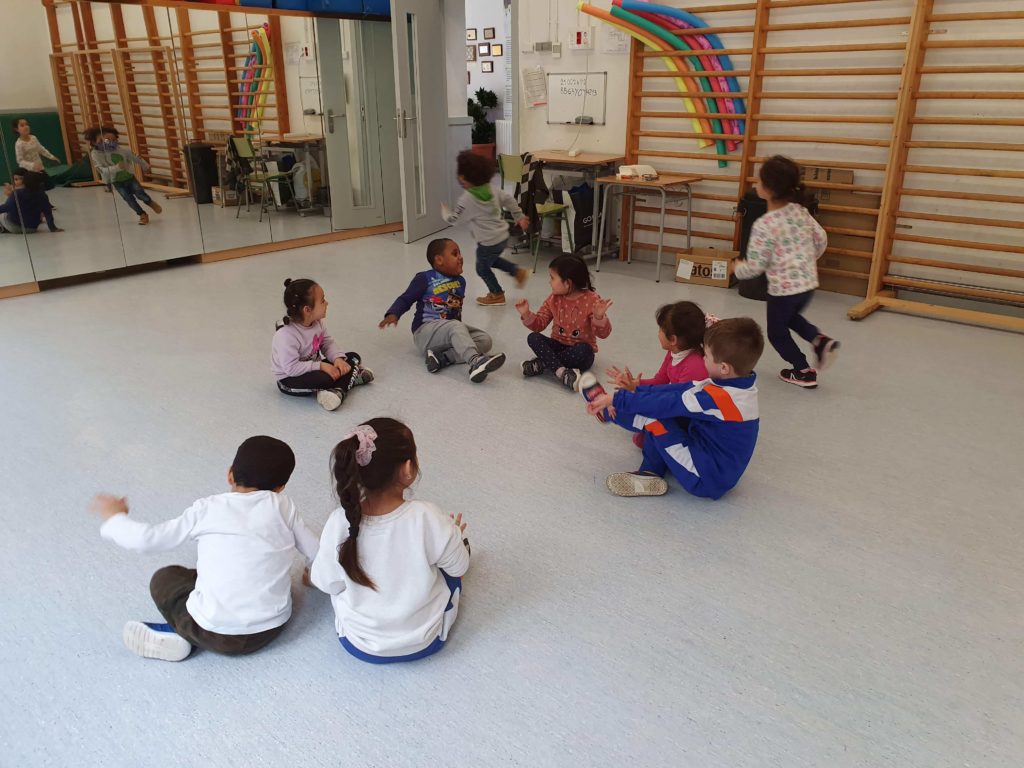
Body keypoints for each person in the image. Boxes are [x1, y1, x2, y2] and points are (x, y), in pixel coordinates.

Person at [89, 436, 319, 662]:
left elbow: (148, 540)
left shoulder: (206, 509)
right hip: (270, 628)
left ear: (230, 474)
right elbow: (316, 551)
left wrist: (115, 517)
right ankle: (189, 634)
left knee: (165, 577)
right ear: (280, 487)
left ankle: (182, 635)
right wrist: (312, 575)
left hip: (210, 630)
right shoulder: (284, 507)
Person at [310, 419, 471, 663]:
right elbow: (459, 568)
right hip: (425, 640)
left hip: (358, 643)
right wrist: (453, 534)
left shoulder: (339, 521)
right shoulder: (427, 516)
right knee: (453, 566)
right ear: (408, 469)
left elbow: (327, 583)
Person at [587, 317, 764, 501]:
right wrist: (635, 391)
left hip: (704, 478)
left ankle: (607, 411)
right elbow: (677, 390)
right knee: (663, 412)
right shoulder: (739, 386)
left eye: (706, 355)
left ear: (724, 368)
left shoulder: (720, 400)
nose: (702, 358)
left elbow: (668, 402)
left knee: (654, 417)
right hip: (714, 467)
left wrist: (617, 399)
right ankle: (651, 468)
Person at [733, 155, 839, 389]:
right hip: (808, 284)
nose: (756, 184)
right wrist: (808, 261)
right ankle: (820, 340)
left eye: (759, 180)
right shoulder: (801, 212)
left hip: (783, 290)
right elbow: (821, 238)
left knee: (777, 333)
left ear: (768, 189)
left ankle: (802, 370)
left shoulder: (765, 225)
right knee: (790, 318)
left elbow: (756, 265)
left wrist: (738, 269)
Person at [380, 237, 506, 383]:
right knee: (455, 326)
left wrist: (459, 333)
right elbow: (405, 298)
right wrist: (393, 313)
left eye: (460, 253)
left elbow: (455, 310)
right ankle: (475, 361)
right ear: (439, 260)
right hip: (425, 332)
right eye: (455, 254)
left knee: (485, 340)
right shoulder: (424, 278)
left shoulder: (460, 281)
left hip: (448, 330)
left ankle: (443, 358)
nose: (460, 257)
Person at [605, 301, 715, 448]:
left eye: (660, 330)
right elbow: (660, 381)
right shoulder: (674, 352)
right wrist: (635, 385)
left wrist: (634, 396)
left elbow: (677, 404)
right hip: (674, 405)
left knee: (619, 410)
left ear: (673, 339)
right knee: (622, 407)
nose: (658, 333)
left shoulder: (694, 366)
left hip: (685, 417)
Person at [442, 150, 531, 307]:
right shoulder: (492, 188)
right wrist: (519, 216)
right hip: (502, 237)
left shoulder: (467, 199)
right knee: (492, 260)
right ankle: (517, 272)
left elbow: (454, 220)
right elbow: (509, 199)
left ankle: (497, 294)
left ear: (462, 177)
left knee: (481, 268)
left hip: (488, 242)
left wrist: (445, 213)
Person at [272, 278, 373, 412]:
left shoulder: (317, 323)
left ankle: (338, 388)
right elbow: (291, 368)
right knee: (325, 379)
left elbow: (327, 343)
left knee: (352, 357)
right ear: (307, 309)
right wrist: (321, 366)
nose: (327, 303)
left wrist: (337, 359)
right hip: (290, 379)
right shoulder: (286, 335)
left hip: (313, 367)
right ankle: (345, 384)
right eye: (323, 300)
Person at [515, 254, 612, 391]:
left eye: (552, 278)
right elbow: (539, 324)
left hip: (580, 353)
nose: (549, 282)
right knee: (533, 338)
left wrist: (599, 317)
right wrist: (526, 314)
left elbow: (603, 334)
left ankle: (543, 364)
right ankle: (561, 372)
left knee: (584, 350)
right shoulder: (553, 298)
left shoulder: (592, 300)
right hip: (557, 345)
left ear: (567, 283)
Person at [85, 126, 162, 225]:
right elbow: (102, 170)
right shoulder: (96, 155)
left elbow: (135, 157)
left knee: (140, 194)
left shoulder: (121, 150)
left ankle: (149, 202)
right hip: (117, 182)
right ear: (94, 142)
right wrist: (117, 168)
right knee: (129, 199)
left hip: (130, 178)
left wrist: (145, 166)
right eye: (105, 140)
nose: (110, 142)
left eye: (113, 140)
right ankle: (142, 214)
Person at [0, 169, 61, 234]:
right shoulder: (43, 195)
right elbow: (48, 213)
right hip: (32, 229)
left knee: (3, 215)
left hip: (14, 227)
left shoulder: (17, 193)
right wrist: (53, 228)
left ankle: (2, 227)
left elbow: (7, 207)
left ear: (24, 182)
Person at [12, 117, 58, 189]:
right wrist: (32, 165)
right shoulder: (19, 144)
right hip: (28, 171)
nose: (26, 127)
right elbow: (20, 161)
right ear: (17, 129)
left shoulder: (33, 138)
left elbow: (41, 149)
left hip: (39, 169)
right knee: (35, 187)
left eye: (26, 124)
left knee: (49, 185)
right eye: (22, 125)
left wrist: (51, 157)